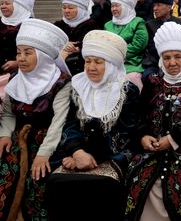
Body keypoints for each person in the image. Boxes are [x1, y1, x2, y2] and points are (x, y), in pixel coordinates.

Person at [45, 30, 140, 220]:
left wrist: (89, 157)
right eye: (88, 61)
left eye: (98, 62)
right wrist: (77, 152)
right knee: (57, 181)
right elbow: (70, 123)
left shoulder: (127, 91)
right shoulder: (78, 85)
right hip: (76, 152)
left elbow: (125, 132)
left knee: (101, 184)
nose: (91, 67)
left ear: (112, 64)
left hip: (112, 153)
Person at [125, 23, 181, 220]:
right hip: (153, 147)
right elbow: (140, 114)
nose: (172, 62)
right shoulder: (152, 81)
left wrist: (173, 139)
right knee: (139, 177)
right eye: (167, 57)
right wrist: (143, 136)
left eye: (177, 56)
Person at [0, 19, 70, 219]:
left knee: (38, 184)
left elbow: (58, 122)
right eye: (19, 52)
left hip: (49, 143)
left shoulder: (60, 83)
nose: (21, 58)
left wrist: (44, 154)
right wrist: (3, 135)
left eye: (28, 52)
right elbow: (8, 114)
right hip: (18, 140)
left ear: (43, 56)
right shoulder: (15, 79)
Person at [104, 0, 149, 91]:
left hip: (131, 62)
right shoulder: (108, 25)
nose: (114, 9)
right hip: (109, 61)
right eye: (112, 6)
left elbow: (138, 44)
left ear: (126, 6)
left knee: (130, 81)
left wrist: (119, 55)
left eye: (117, 6)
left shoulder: (138, 22)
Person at [0, 0, 34, 98]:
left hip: (22, 73)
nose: (3, 6)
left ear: (19, 5)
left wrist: (17, 63)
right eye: (1, 4)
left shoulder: (31, 25)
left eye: (7, 3)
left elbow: (37, 51)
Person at [55, 0, 99, 75]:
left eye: (71, 8)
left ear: (81, 9)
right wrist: (62, 45)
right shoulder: (58, 25)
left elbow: (95, 45)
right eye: (64, 7)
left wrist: (78, 49)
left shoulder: (91, 25)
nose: (66, 11)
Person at [142, 0, 179, 76]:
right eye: (154, 5)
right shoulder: (149, 24)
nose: (155, 8)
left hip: (177, 62)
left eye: (159, 5)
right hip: (155, 63)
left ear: (169, 7)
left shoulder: (180, 24)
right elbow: (151, 48)